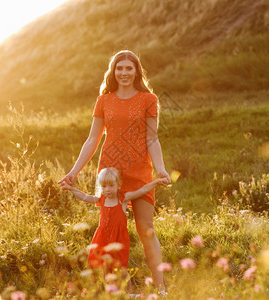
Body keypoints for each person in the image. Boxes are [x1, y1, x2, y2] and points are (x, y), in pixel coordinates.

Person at [58, 50, 171, 292]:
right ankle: (117, 289)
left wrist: (160, 170)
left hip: (140, 171)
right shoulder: (104, 100)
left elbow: (152, 138)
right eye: (120, 68)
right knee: (110, 233)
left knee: (146, 230)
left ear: (137, 71)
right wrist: (74, 172)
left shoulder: (148, 99)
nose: (124, 73)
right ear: (113, 71)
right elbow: (92, 140)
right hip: (110, 174)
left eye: (129, 68)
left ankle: (161, 289)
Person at [61, 167, 168, 273]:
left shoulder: (123, 199)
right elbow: (84, 196)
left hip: (118, 238)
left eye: (111, 185)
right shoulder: (101, 199)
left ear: (119, 185)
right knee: (103, 266)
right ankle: (107, 289)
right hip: (102, 238)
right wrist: (71, 188)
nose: (107, 189)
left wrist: (156, 182)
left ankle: (127, 289)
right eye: (104, 186)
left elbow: (142, 190)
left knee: (121, 268)